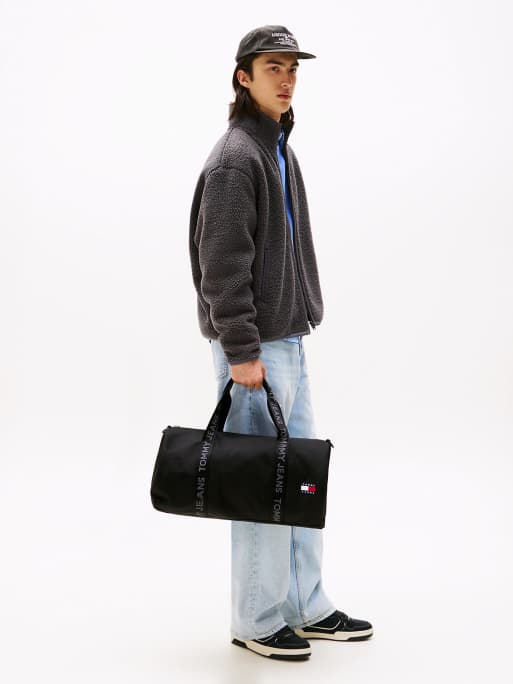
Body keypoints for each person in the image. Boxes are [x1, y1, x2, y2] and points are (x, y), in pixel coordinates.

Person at [188, 25, 373, 661]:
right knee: (257, 484)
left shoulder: (278, 151)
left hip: (288, 341)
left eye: (293, 67)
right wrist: (241, 351)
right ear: (244, 77)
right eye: (274, 67)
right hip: (255, 352)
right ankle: (258, 618)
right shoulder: (236, 159)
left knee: (297, 481)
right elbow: (221, 266)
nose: (287, 78)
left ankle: (305, 605)